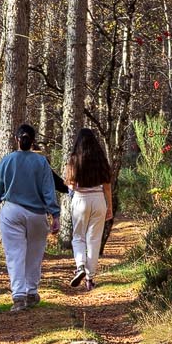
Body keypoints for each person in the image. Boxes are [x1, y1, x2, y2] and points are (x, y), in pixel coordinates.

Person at [0, 123, 59, 310]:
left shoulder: (7, 161)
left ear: (16, 140)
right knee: (34, 254)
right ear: (33, 142)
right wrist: (55, 214)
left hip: (11, 211)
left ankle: (18, 296)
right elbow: (49, 190)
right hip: (37, 214)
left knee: (15, 254)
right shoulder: (41, 162)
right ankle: (31, 292)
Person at [62, 126, 113, 293]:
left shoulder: (74, 159)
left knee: (78, 237)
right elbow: (106, 186)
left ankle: (80, 266)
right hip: (98, 200)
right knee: (94, 240)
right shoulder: (100, 160)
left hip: (80, 200)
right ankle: (90, 278)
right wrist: (109, 207)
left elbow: (68, 182)